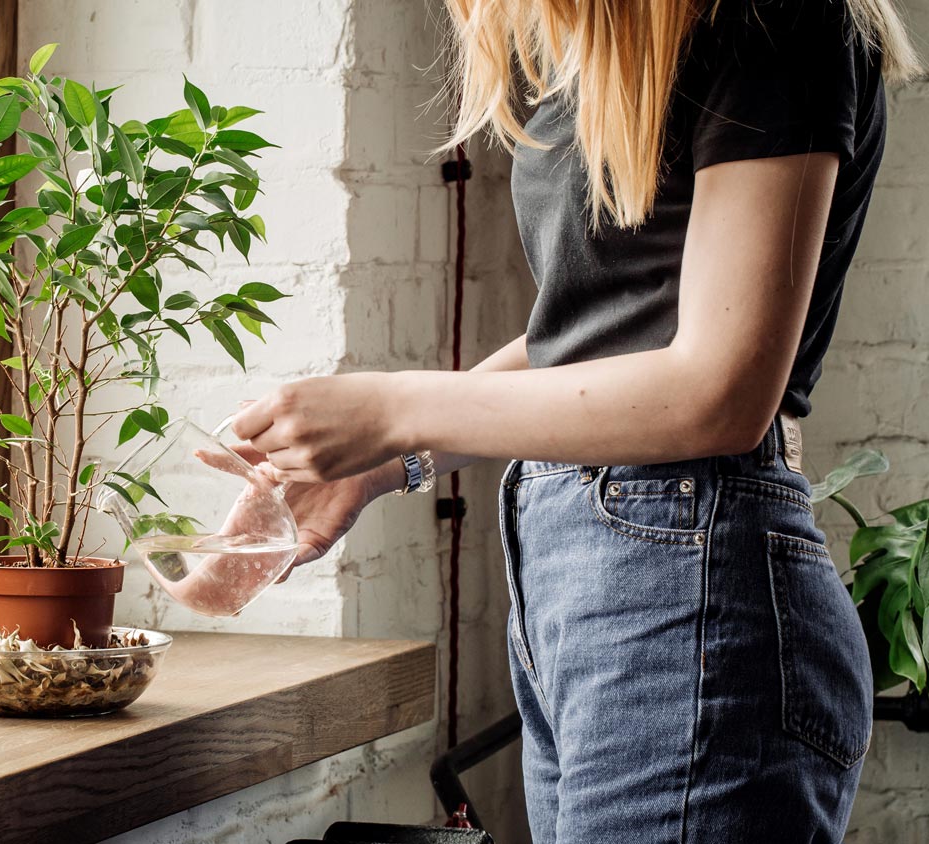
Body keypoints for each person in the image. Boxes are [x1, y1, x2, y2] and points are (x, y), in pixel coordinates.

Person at [230, 0, 922, 840]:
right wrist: (381, 461)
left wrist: (392, 406)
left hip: (688, 588)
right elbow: (592, 342)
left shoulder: (772, 17)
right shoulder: (614, 57)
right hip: (587, 593)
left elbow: (721, 392)